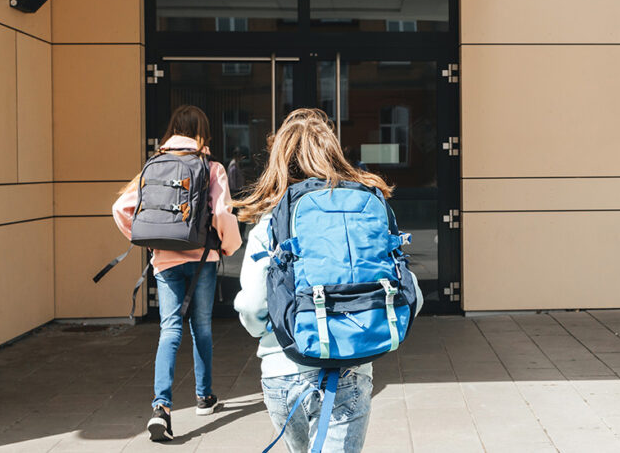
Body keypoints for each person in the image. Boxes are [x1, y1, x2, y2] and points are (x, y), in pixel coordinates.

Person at [232, 108, 422, 452]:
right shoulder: (366, 208)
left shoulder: (271, 221)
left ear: (279, 160)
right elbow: (412, 294)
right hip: (350, 368)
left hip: (282, 369)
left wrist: (269, 332)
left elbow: (253, 305)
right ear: (334, 153)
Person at [112, 105, 242, 442]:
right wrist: (228, 247)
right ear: (203, 131)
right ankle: (204, 397)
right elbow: (222, 214)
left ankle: (161, 408)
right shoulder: (211, 167)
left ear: (173, 129)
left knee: (169, 329)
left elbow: (121, 208)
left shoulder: (155, 163)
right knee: (202, 327)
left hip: (165, 260)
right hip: (202, 258)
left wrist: (146, 239)